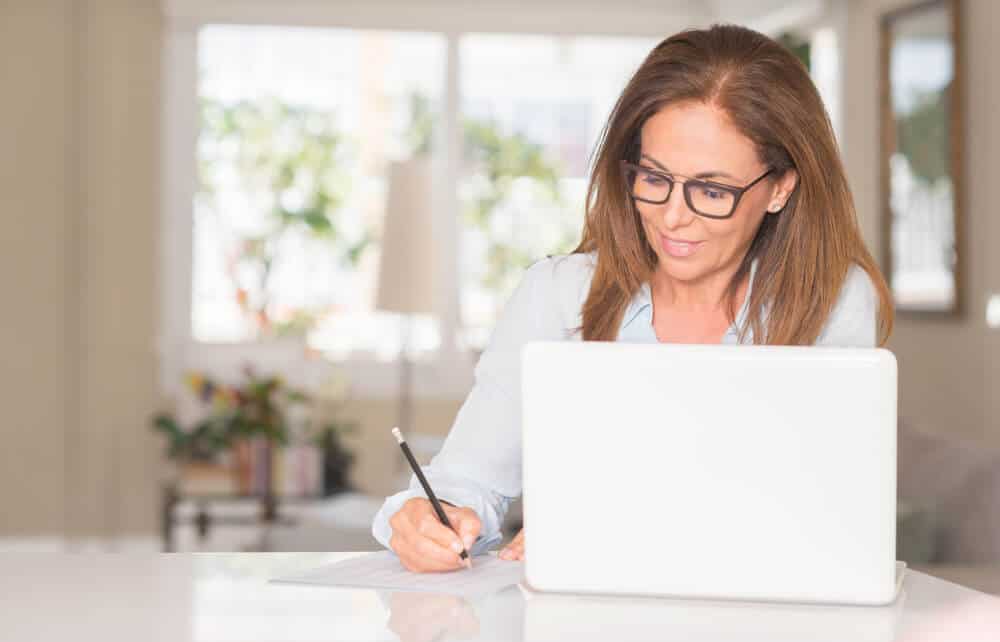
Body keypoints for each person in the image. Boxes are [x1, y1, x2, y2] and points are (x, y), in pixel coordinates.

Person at [372, 23, 894, 573]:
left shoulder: (832, 302)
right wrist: (431, 519)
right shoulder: (557, 295)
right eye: (653, 177)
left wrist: (614, 532)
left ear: (781, 188)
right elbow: (468, 480)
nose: (673, 216)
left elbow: (829, 516)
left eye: (712, 191)